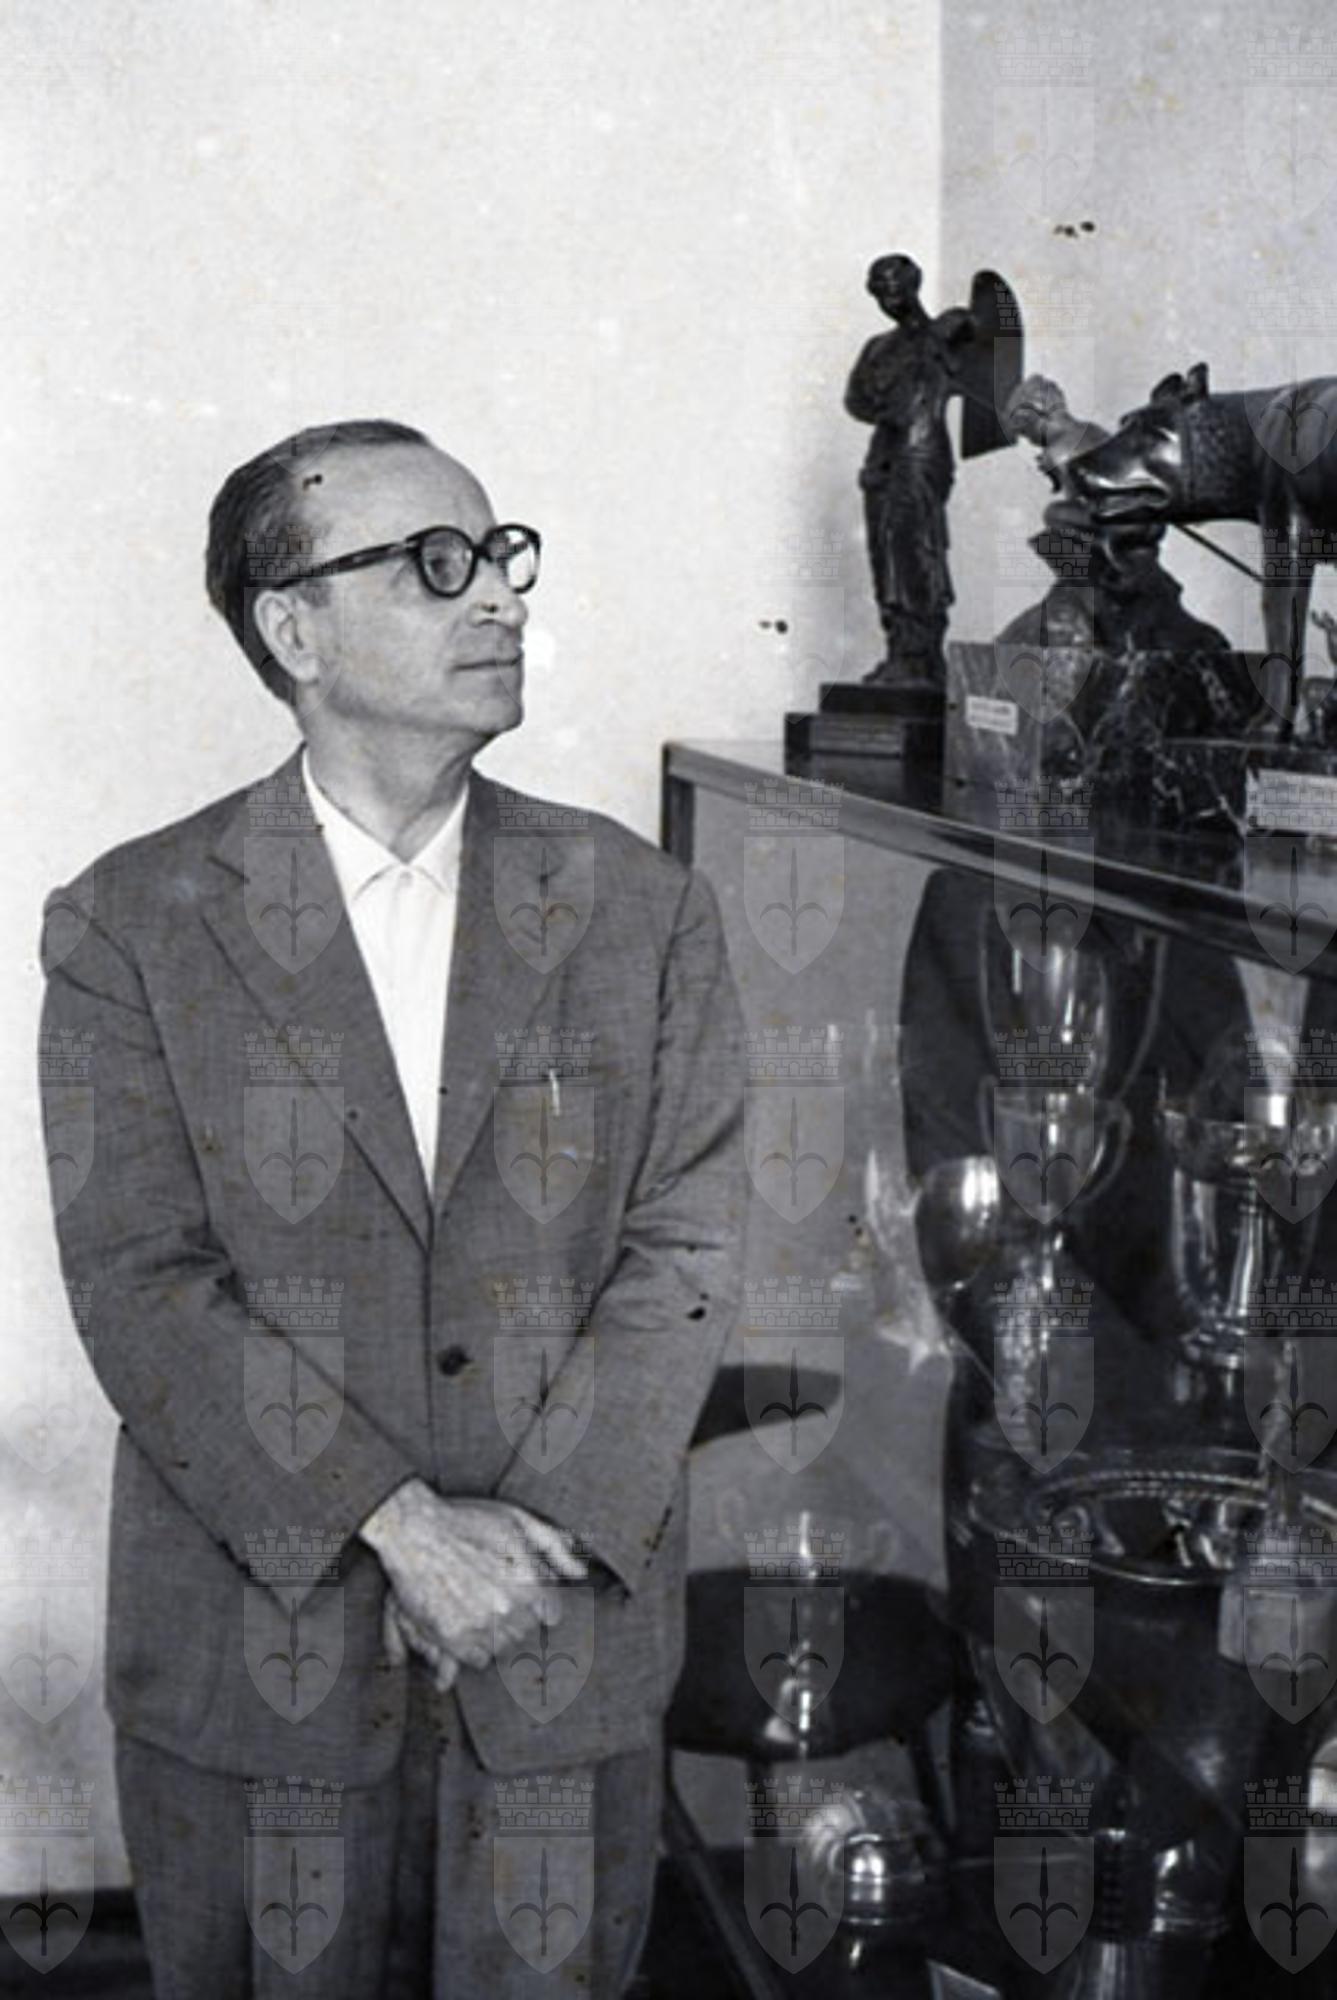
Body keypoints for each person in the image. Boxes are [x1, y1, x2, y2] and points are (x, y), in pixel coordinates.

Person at [38, 418, 749, 1996]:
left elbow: (688, 1244)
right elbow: (142, 1280)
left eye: (499, 555)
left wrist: (532, 1540)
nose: (497, 596)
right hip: (256, 1668)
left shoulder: (641, 908)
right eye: (435, 564)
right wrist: (404, 1530)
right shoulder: (130, 924)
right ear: (295, 631)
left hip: (559, 1648)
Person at [844, 252, 976, 686]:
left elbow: (979, 354)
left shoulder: (948, 330)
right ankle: (898, 649)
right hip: (883, 453)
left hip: (921, 453)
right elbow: (856, 400)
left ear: (913, 285)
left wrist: (945, 338)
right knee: (884, 552)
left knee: (916, 547)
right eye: (879, 292)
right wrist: (889, 401)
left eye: (895, 288)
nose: (889, 299)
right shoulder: (877, 347)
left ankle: (921, 654)